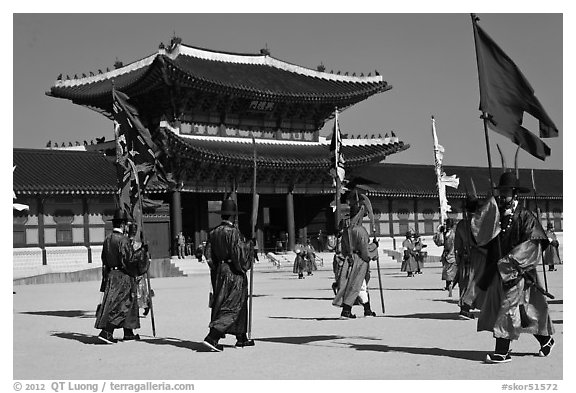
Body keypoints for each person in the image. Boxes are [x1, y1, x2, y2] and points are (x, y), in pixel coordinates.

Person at [472, 171, 555, 363]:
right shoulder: (496, 214)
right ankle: (545, 339)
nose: (503, 195)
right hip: (498, 271)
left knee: (508, 308)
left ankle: (502, 351)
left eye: (507, 191)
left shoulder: (526, 215)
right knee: (524, 312)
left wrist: (512, 261)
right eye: (501, 191)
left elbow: (535, 242)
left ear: (515, 193)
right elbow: (482, 235)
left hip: (518, 270)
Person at [202, 198, 255, 352]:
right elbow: (239, 254)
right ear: (233, 216)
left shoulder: (213, 232)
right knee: (232, 303)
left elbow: (208, 255)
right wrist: (250, 246)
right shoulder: (233, 232)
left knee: (228, 301)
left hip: (220, 270)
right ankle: (213, 336)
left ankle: (241, 336)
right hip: (233, 271)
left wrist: (217, 268)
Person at [94, 209, 140, 343]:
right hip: (123, 275)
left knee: (116, 302)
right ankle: (107, 331)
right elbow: (128, 260)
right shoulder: (123, 240)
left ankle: (128, 331)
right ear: (123, 225)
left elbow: (104, 258)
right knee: (122, 303)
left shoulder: (107, 239)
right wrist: (141, 256)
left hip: (111, 274)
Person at [332, 192, 377, 318]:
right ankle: (346, 311)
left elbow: (344, 248)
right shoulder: (361, 231)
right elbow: (365, 251)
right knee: (356, 284)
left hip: (349, 259)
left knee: (360, 284)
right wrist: (374, 247)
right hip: (359, 260)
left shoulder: (347, 230)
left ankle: (367, 310)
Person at [454, 196, 486, 320]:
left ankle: (464, 308)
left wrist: (459, 259)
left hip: (465, 256)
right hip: (481, 256)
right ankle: (467, 307)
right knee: (477, 282)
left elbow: (457, 246)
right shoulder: (481, 223)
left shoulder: (461, 224)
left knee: (465, 282)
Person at [434, 218, 457, 296]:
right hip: (446, 253)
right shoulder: (444, 234)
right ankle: (448, 285)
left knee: (450, 270)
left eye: (449, 225)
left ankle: (451, 284)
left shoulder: (454, 234)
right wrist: (438, 233)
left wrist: (451, 253)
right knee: (446, 270)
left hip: (452, 253)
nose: (447, 226)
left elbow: (454, 245)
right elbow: (439, 243)